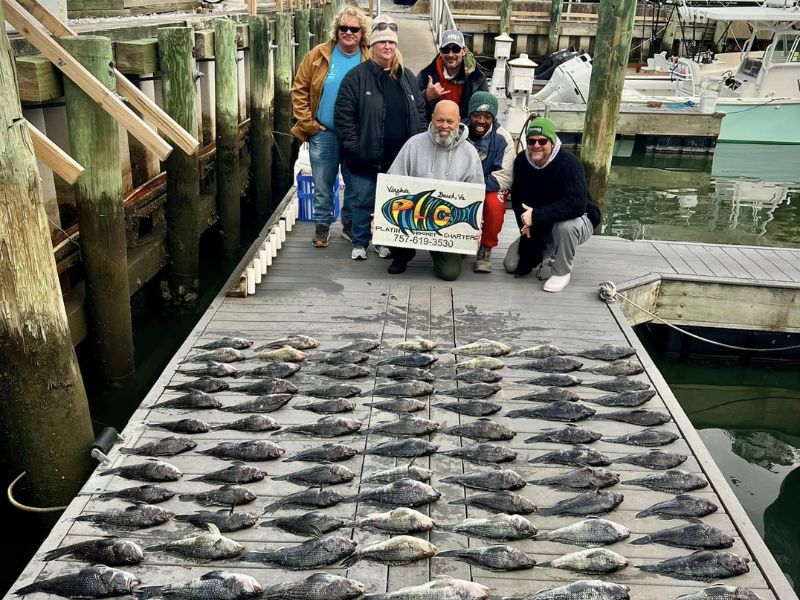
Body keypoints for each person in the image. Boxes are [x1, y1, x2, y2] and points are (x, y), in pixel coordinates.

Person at [335, 14, 426, 261]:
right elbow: (344, 117)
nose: (387, 47)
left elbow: (419, 110)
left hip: (399, 156)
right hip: (367, 154)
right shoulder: (356, 76)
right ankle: (360, 241)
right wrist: (355, 148)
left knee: (391, 202)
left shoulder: (406, 76)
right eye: (382, 42)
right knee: (363, 200)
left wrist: (418, 146)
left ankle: (383, 240)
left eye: (392, 43)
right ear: (372, 45)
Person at [291, 6, 370, 248]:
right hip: (323, 132)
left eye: (354, 29)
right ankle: (322, 227)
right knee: (323, 184)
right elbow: (299, 88)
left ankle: (348, 225)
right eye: (343, 28)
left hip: (355, 135)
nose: (348, 32)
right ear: (336, 31)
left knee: (355, 184)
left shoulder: (369, 58)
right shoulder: (318, 54)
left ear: (362, 33)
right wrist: (308, 123)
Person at [385, 100, 484, 281]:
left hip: (445, 222)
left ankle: (441, 254)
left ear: (458, 121)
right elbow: (393, 180)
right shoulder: (413, 144)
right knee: (387, 217)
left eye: (449, 121)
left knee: (449, 273)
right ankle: (402, 255)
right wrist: (378, 216)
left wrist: (478, 222)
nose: (444, 126)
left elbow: (476, 192)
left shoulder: (470, 153)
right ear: (432, 119)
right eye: (439, 120)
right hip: (413, 216)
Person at [504, 116, 601, 293]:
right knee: (512, 265)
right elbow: (518, 199)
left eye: (542, 141)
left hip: (579, 219)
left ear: (552, 142)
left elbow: (576, 205)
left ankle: (561, 272)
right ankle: (549, 248)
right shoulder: (521, 162)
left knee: (565, 227)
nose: (536, 145)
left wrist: (536, 216)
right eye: (531, 141)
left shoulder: (569, 164)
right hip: (542, 221)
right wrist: (525, 224)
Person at [463, 91, 514, 273]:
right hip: (462, 185)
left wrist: (475, 187)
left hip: (490, 186)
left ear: (493, 117)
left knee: (494, 205)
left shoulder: (503, 138)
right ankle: (461, 242)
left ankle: (486, 248)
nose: (481, 121)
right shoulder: (459, 131)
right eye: (476, 115)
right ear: (470, 116)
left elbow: (504, 177)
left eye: (487, 116)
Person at [417, 28, 488, 123]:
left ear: (464, 51)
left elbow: (485, 112)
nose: (450, 54)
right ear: (440, 52)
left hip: (465, 131)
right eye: (446, 49)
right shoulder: (425, 76)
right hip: (434, 130)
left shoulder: (477, 79)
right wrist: (427, 96)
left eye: (456, 49)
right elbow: (412, 109)